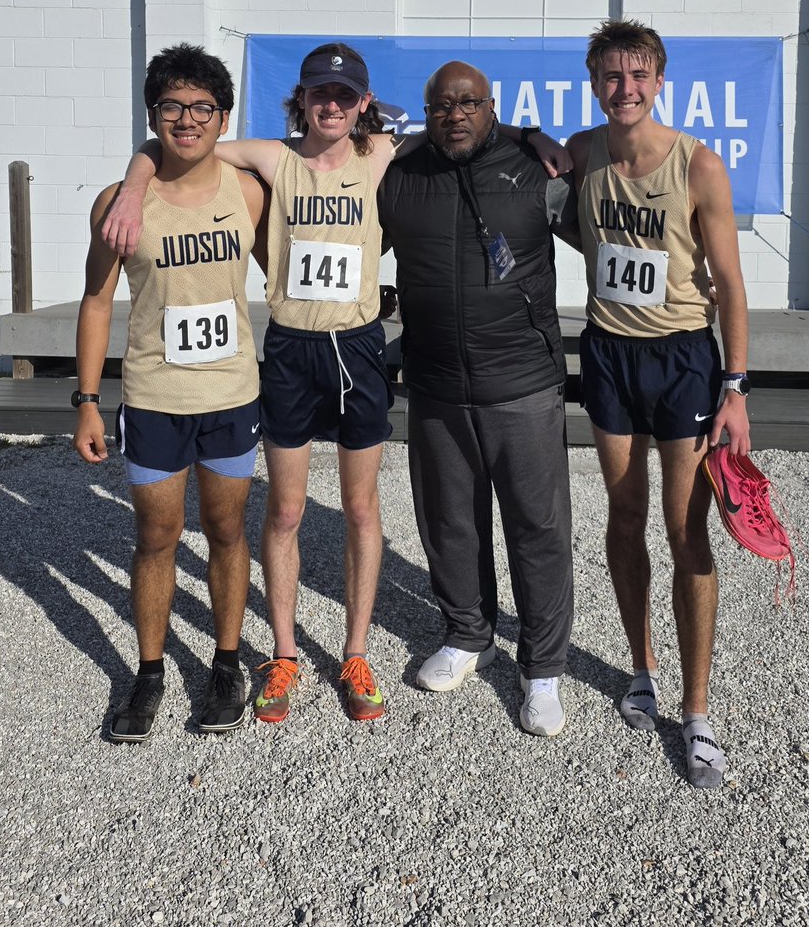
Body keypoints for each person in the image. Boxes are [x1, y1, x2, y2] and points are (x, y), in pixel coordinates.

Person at [102, 44, 567, 726]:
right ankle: (285, 654)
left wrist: (531, 135)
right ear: (302, 98)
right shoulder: (272, 158)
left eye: (345, 95)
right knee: (286, 511)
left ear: (363, 104)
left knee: (360, 509)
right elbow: (176, 144)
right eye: (320, 92)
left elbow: (462, 124)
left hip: (358, 348)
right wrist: (134, 182)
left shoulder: (380, 154)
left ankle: (355, 652)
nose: (331, 104)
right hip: (292, 350)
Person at [565, 19, 751, 787]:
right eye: (612, 76)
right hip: (609, 353)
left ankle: (697, 709)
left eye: (639, 75)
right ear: (594, 83)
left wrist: (735, 387)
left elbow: (730, 283)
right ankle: (640, 667)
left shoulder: (698, 165)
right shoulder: (581, 153)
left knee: (685, 530)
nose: (626, 88)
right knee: (623, 514)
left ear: (660, 82)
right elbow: (577, 227)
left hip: (682, 359)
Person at [73, 42, 266, 743]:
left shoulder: (248, 193)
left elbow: (289, 271)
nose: (188, 119)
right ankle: (150, 670)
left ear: (224, 117)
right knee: (155, 536)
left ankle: (226, 663)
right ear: (152, 114)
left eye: (202, 107)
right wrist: (87, 401)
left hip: (231, 394)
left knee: (225, 530)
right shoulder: (119, 204)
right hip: (155, 396)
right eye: (172, 106)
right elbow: (97, 301)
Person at [378, 60, 575, 737]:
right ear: (427, 112)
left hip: (523, 381)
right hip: (435, 381)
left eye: (469, 103)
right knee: (449, 519)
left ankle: (542, 665)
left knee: (537, 527)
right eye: (441, 105)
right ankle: (468, 634)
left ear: (492, 108)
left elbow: (611, 232)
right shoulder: (400, 175)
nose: (455, 115)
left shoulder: (537, 171)